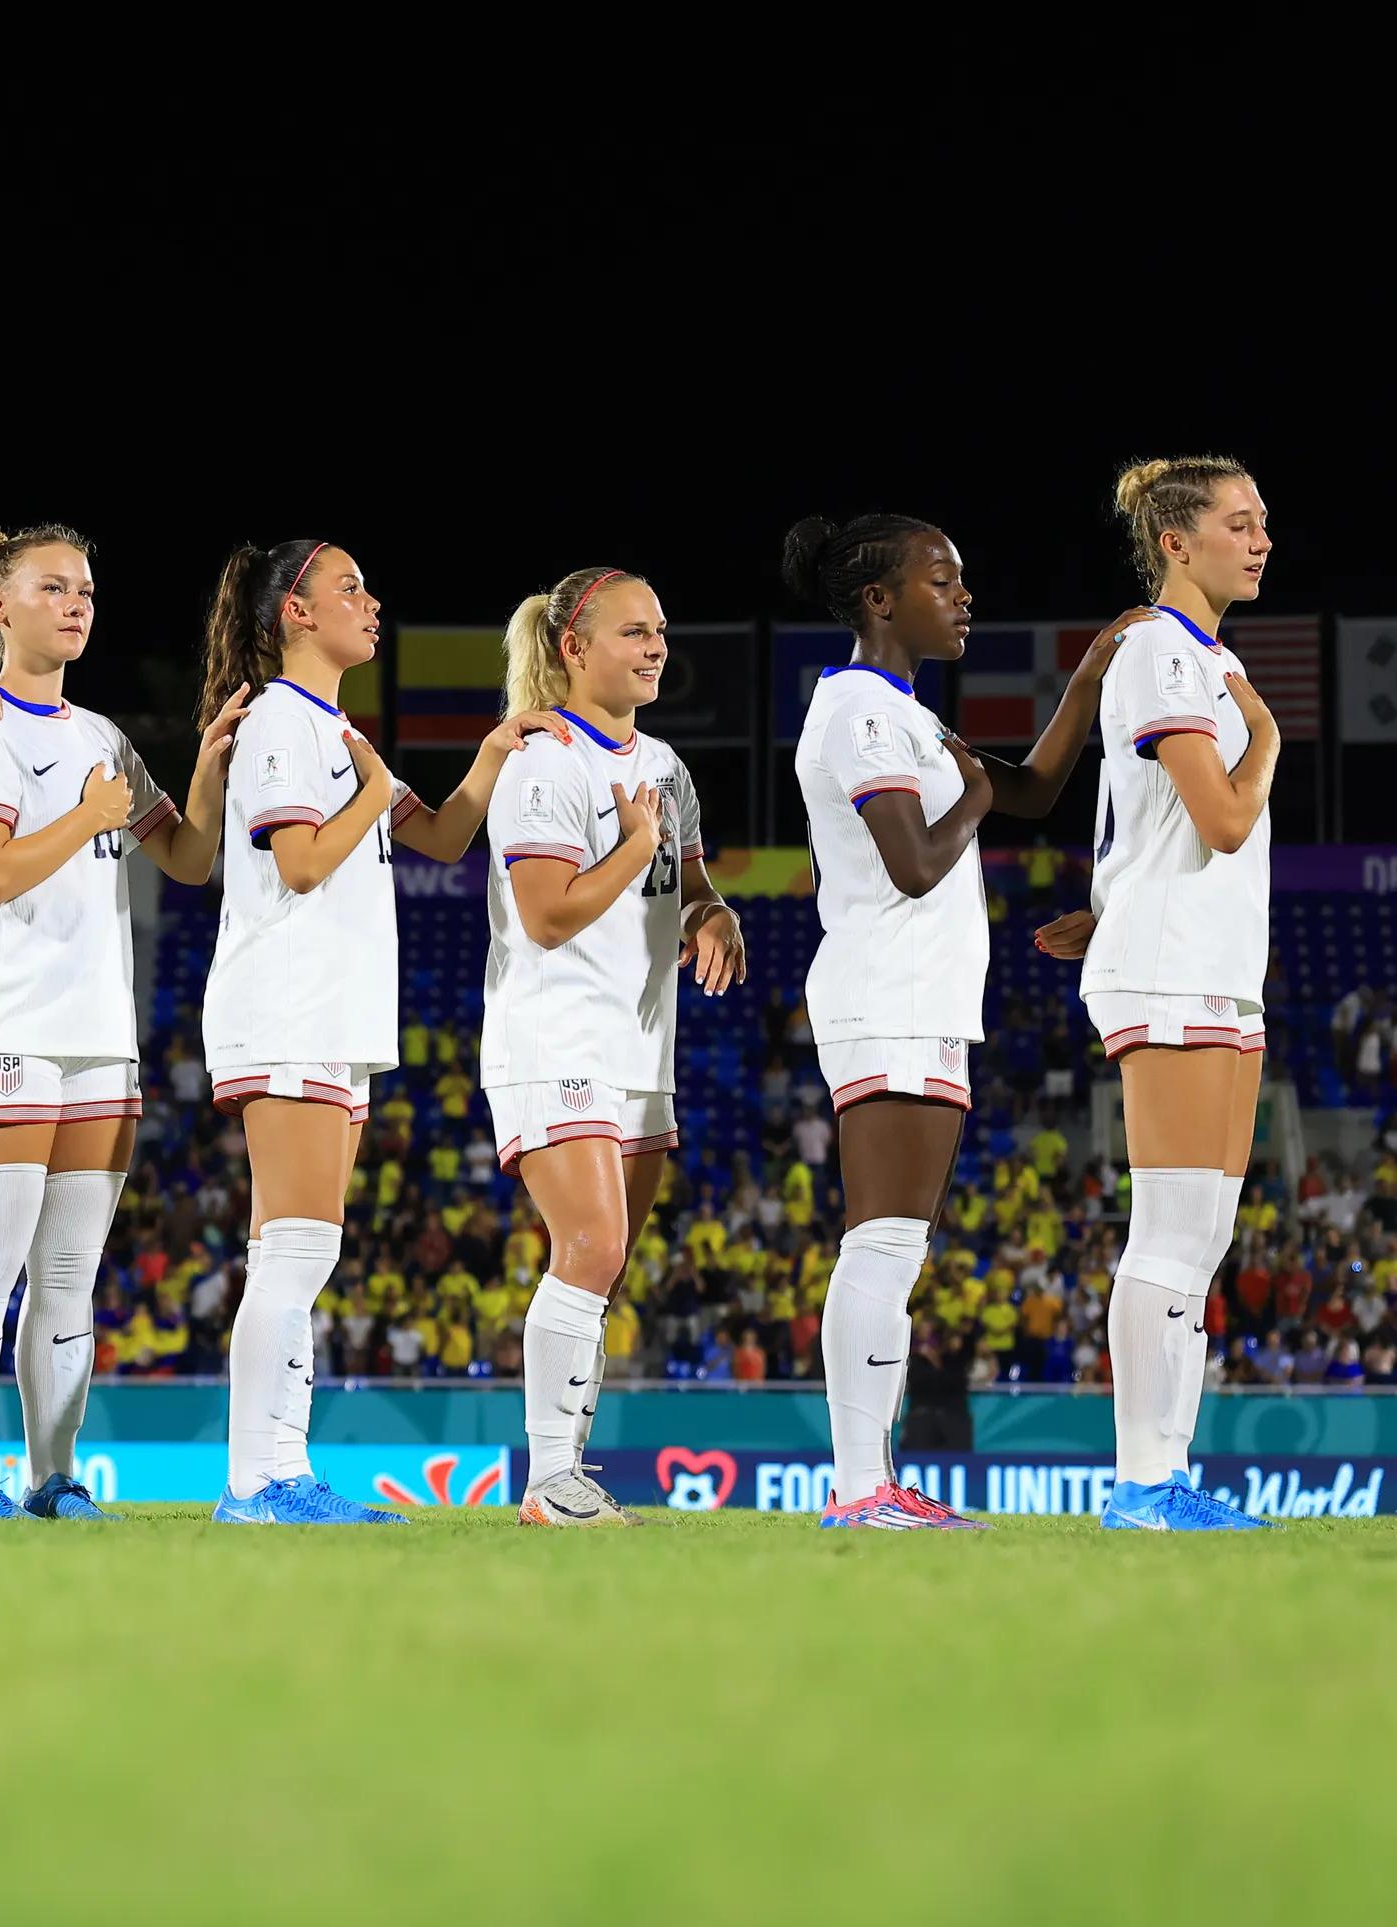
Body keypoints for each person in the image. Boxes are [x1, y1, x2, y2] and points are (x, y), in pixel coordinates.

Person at [782, 513, 1125, 1527]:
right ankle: (856, 1488)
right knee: (881, 1243)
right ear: (880, 600)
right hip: (885, 993)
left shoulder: (904, 716)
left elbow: (1029, 788)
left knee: (895, 1245)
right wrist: (971, 794)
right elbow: (915, 860)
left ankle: (869, 1480)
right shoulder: (858, 711)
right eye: (942, 579)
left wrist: (1084, 684)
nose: (963, 595)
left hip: (914, 997)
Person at [0, 524, 237, 1520]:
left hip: (97, 1033)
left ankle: (53, 1477)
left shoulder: (103, 741)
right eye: (52, 588)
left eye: (86, 591)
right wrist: (91, 819)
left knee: (65, 1278)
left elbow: (186, 859)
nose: (75, 604)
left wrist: (215, 763)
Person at [197, 538, 510, 1525]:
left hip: (331, 1012)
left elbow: (443, 835)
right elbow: (296, 863)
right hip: (286, 1003)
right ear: (293, 612)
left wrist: (495, 752)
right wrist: (372, 791)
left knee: (305, 1250)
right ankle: (258, 1479)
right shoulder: (285, 727)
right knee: (290, 1249)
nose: (370, 603)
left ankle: (277, 1471)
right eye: (347, 588)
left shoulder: (331, 730)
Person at [1036, 458, 1279, 1530]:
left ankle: (1166, 1478)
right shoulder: (1161, 652)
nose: (1261, 537)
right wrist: (1265, 732)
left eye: (1263, 520)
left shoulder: (1195, 657)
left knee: (1202, 1236)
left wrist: (1116, 895)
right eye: (1239, 521)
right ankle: (1139, 1483)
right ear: (1175, 541)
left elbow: (1162, 823)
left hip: (1211, 962)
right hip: (1174, 967)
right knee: (1170, 1233)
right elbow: (1223, 818)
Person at [482, 567, 746, 1526]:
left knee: (608, 1259)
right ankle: (550, 1480)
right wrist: (635, 846)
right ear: (573, 648)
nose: (656, 648)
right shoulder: (543, 764)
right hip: (555, 1032)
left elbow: (693, 880)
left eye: (662, 632)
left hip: (639, 1043)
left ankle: (570, 1471)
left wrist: (714, 916)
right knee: (589, 1243)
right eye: (634, 632)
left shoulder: (667, 767)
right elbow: (546, 916)